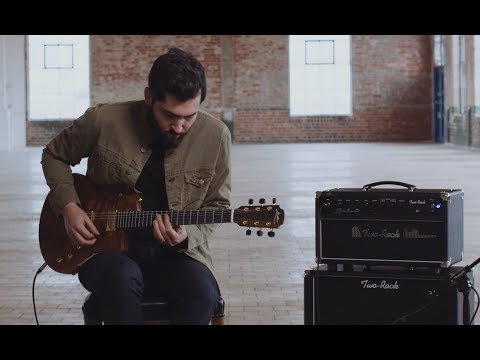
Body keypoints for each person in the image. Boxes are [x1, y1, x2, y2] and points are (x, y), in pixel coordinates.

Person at [41, 47, 232, 324]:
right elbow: (54, 155)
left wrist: (186, 234)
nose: (179, 126)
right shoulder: (103, 121)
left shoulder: (216, 136)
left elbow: (218, 205)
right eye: (169, 115)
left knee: (202, 293)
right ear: (148, 97)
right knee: (122, 278)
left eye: (189, 116)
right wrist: (70, 208)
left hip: (176, 255)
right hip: (102, 251)